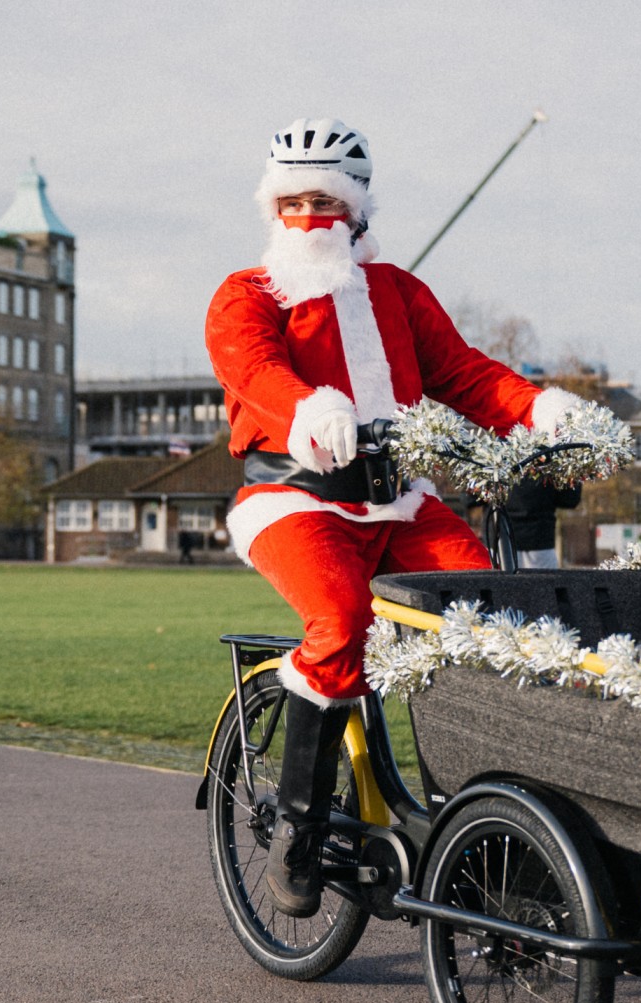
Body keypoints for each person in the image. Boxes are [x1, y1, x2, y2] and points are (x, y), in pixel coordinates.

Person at [206, 117, 583, 917]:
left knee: (490, 611)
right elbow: (254, 368)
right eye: (293, 202)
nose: (309, 218)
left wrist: (540, 412)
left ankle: (486, 823)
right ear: (271, 209)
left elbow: (466, 375)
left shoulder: (399, 293)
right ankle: (298, 835)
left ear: (359, 212)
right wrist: (310, 406)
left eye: (327, 202)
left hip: (398, 500)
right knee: (339, 621)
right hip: (294, 499)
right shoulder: (247, 294)